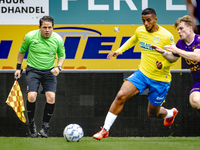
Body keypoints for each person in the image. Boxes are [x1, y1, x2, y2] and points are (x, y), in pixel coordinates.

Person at [93, 8, 178, 140]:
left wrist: (163, 65)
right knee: (121, 95)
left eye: (148, 20)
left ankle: (170, 113)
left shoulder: (166, 36)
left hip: (160, 79)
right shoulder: (140, 30)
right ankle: (105, 130)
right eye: (143, 20)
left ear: (155, 19)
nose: (146, 23)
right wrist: (119, 51)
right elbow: (133, 39)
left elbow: (174, 58)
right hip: (142, 74)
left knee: (153, 113)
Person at [14, 16, 65, 138]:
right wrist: (18, 68)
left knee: (51, 97)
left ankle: (44, 128)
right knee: (32, 96)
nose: (47, 30)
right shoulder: (30, 36)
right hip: (33, 70)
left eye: (50, 27)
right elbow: (21, 52)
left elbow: (62, 56)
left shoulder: (57, 39)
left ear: (53, 27)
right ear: (39, 27)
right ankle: (31, 125)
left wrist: (58, 67)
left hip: (49, 72)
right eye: (44, 27)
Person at [153, 15, 200, 113]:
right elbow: (173, 58)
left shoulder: (198, 39)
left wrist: (177, 51)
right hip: (198, 81)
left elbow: (197, 57)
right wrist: (163, 52)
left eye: (181, 28)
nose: (179, 31)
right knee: (194, 101)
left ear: (190, 28)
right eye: (178, 29)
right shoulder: (180, 43)